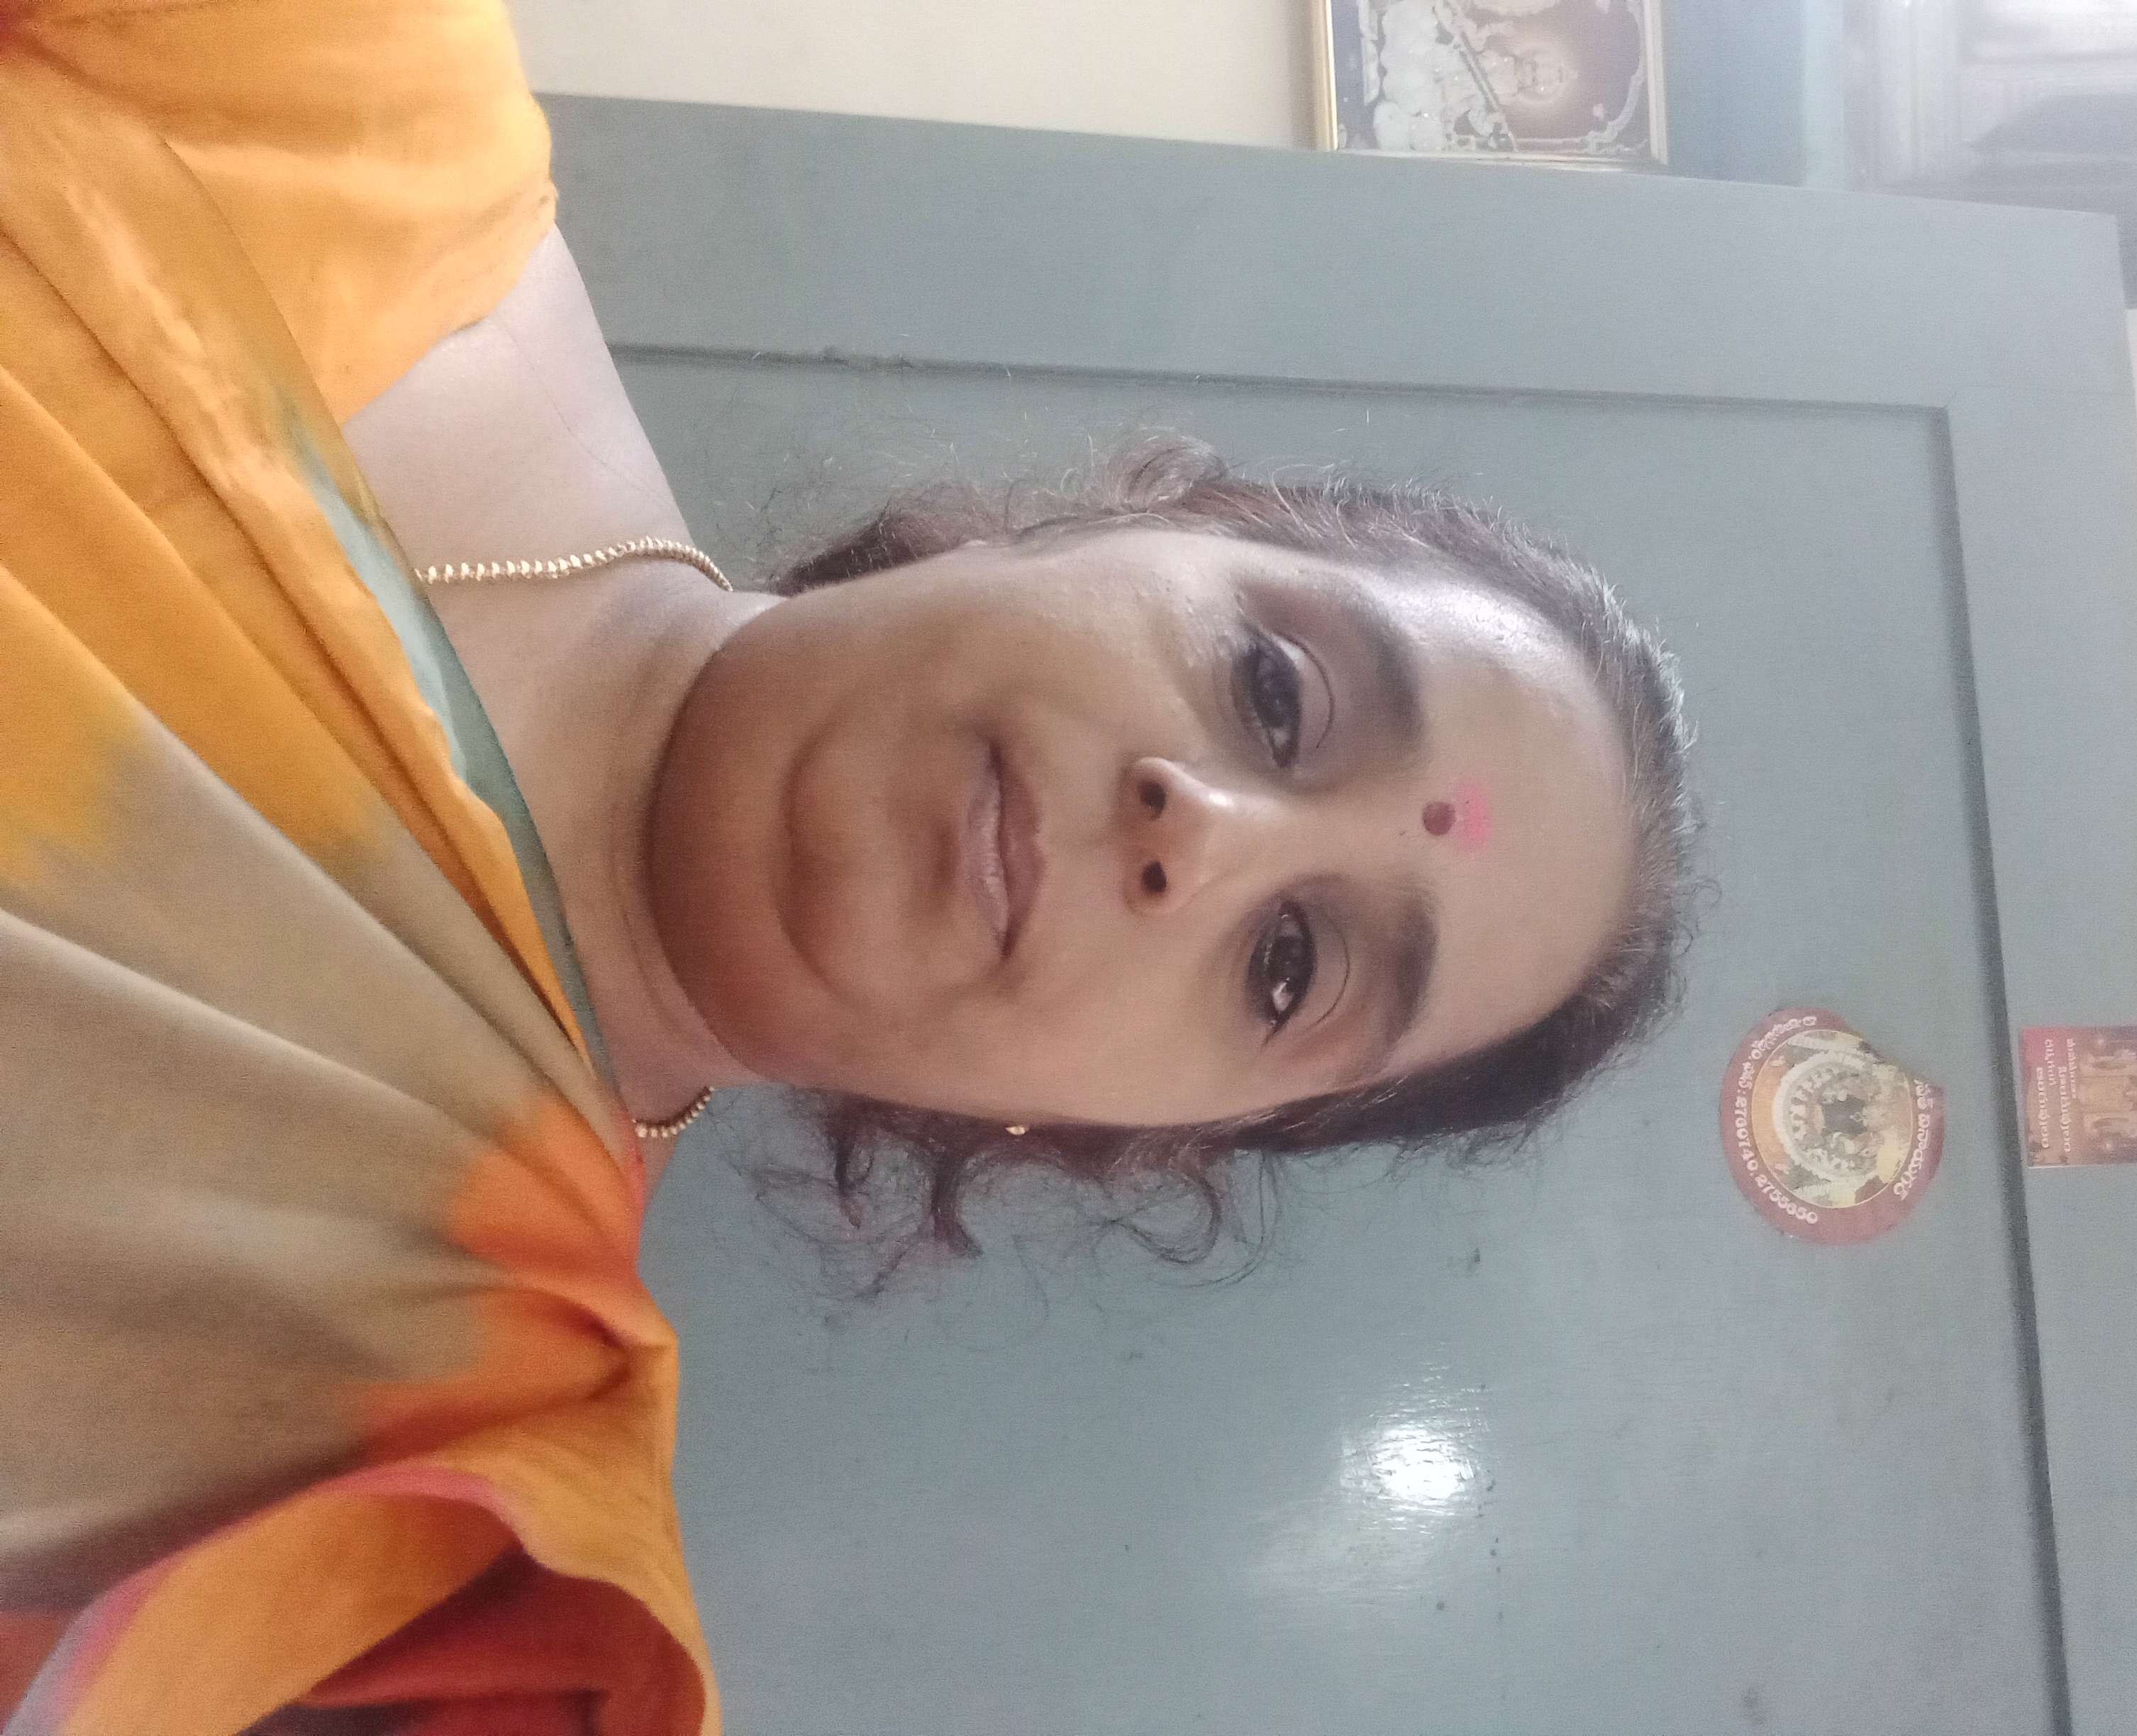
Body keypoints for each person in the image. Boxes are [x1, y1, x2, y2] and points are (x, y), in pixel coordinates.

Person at [0, 1, 1695, 1730]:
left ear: (1122, 1136)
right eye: (1277, 690)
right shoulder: (347, 110)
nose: (1202, 837)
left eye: (1291, 968)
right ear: (1132, 520)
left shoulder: (453, 1567)